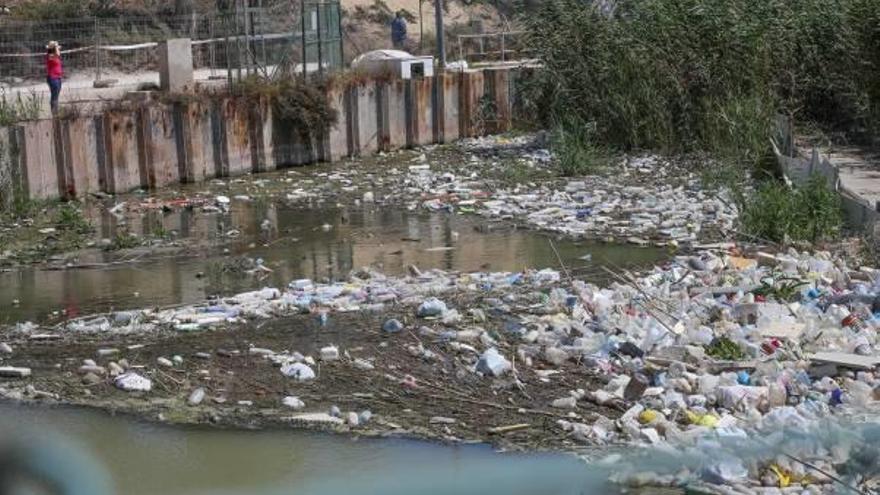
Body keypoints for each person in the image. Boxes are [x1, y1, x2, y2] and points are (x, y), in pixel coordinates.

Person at [45, 41, 63, 114]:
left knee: (56, 96)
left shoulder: (53, 55)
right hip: (53, 78)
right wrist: (56, 47)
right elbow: (58, 54)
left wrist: (56, 47)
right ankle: (54, 112)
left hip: (57, 77)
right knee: (54, 96)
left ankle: (55, 111)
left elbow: (57, 54)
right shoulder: (50, 55)